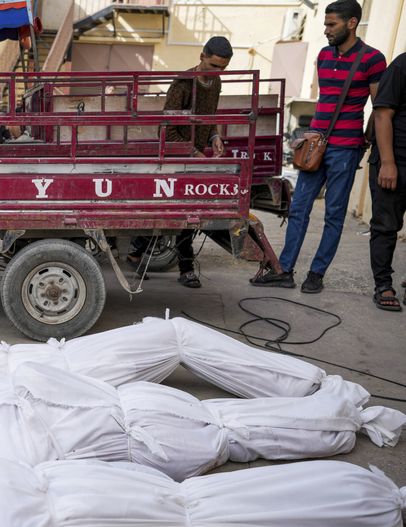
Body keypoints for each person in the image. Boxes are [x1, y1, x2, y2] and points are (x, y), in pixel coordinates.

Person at [251, 0, 385, 293]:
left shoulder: (373, 59)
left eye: (331, 24)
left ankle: (317, 274)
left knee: (334, 214)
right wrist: (308, 134)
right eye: (325, 24)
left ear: (351, 23)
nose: (326, 30)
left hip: (346, 148)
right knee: (298, 208)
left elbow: (379, 107)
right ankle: (284, 270)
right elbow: (324, 99)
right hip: (315, 144)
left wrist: (369, 140)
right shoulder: (324, 55)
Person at [129, 36, 232, 288]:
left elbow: (211, 116)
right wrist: (193, 152)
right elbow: (166, 129)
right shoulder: (182, 84)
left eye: (223, 68)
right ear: (201, 57)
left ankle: (162, 260)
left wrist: (216, 136)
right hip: (176, 156)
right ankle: (149, 254)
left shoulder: (215, 84)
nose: (218, 73)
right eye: (214, 67)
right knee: (174, 214)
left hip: (195, 157)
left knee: (187, 215)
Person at [368, 51, 406, 311]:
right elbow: (382, 115)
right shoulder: (402, 66)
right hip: (397, 161)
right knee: (386, 225)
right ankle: (383, 285)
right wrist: (388, 163)